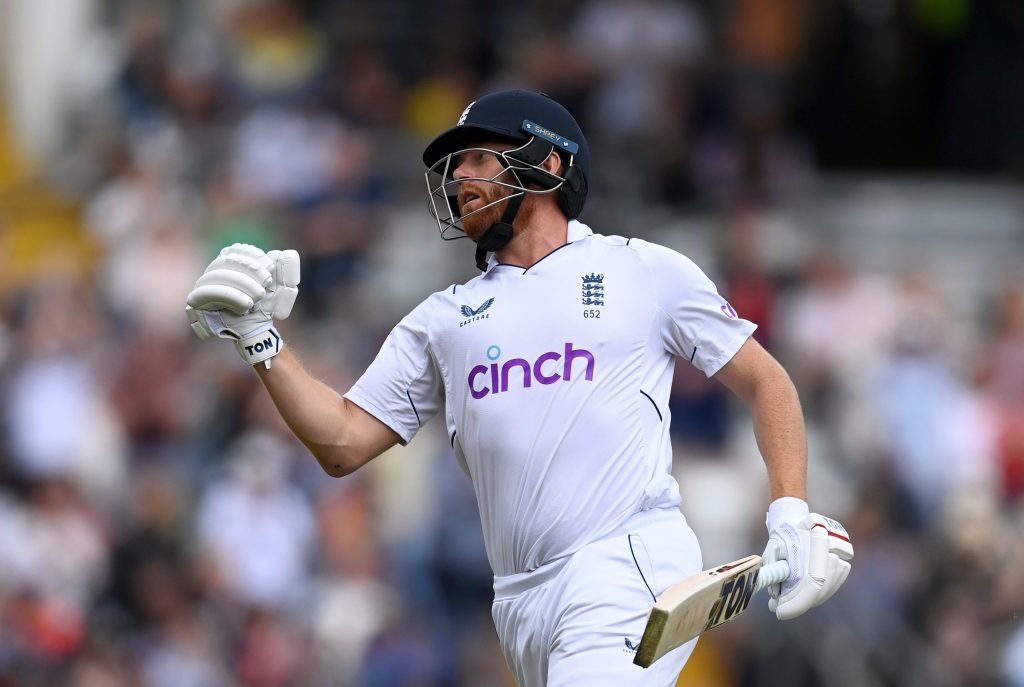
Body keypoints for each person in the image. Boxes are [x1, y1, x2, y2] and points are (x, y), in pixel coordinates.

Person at [185, 89, 853, 686]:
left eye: (479, 158)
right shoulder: (442, 320)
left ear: (549, 163)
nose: (459, 178)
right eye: (455, 166)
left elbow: (766, 380)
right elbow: (341, 442)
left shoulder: (641, 270)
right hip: (519, 601)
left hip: (622, 562)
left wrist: (789, 512)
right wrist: (259, 338)